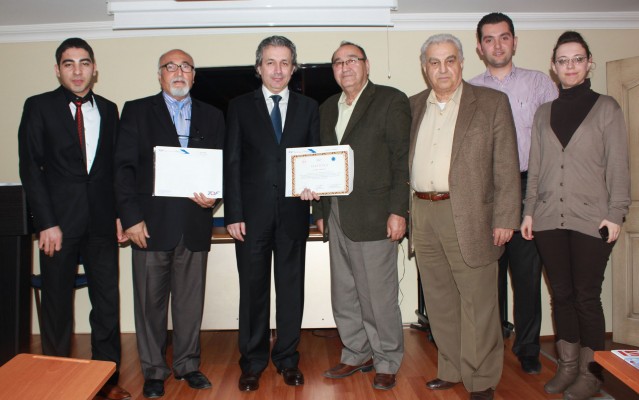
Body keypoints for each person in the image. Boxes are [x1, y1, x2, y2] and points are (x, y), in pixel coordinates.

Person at [409, 34, 520, 400]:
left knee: (478, 302)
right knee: (439, 300)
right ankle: (452, 368)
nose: (443, 69)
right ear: (425, 68)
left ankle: (482, 379)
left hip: (471, 215)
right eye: (434, 62)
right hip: (423, 212)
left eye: (450, 60)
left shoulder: (490, 103)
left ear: (461, 63)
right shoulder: (413, 106)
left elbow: (506, 166)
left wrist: (505, 218)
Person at [17, 38, 130, 400]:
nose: (78, 71)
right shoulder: (38, 106)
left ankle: (107, 380)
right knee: (56, 307)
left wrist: (119, 215)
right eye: (69, 64)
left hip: (101, 224)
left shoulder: (109, 109)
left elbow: (114, 170)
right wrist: (45, 223)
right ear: (58, 70)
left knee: (107, 305)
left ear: (94, 69)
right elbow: (31, 169)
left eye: (84, 63)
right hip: (58, 227)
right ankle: (56, 380)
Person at [521, 31, 630, 400]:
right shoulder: (544, 112)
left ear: (589, 63)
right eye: (563, 60)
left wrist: (616, 213)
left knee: (586, 296)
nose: (570, 66)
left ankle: (591, 372)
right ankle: (567, 366)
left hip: (593, 220)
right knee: (561, 295)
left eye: (577, 59)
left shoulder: (607, 108)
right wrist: (529, 212)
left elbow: (618, 166)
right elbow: (536, 168)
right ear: (554, 67)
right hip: (548, 218)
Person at [114, 49, 225, 399]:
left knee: (190, 304)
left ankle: (188, 365)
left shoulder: (213, 115)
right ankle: (153, 371)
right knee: (150, 304)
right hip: (149, 227)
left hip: (194, 224)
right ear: (160, 74)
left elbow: (220, 165)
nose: (178, 72)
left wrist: (214, 197)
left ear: (194, 75)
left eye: (185, 67)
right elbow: (123, 169)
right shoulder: (136, 111)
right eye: (170, 67)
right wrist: (130, 218)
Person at [301, 41, 410, 391]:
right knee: (344, 292)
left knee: (378, 296)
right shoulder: (327, 107)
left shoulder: (390, 100)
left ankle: (386, 359)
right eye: (338, 62)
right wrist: (320, 210)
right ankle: (356, 352)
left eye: (352, 60)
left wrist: (399, 210)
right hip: (336, 213)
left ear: (366, 64)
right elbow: (319, 159)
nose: (345, 67)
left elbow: (401, 160)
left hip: (376, 214)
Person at [223, 35, 320, 392]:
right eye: (270, 62)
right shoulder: (239, 107)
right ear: (258, 68)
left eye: (284, 63)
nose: (277, 70)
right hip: (250, 218)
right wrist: (233, 212)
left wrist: (314, 188)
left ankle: (288, 359)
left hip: (294, 215)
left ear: (293, 69)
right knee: (253, 291)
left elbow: (314, 158)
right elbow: (232, 162)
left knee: (291, 290)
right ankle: (252, 362)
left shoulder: (309, 107)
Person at [469, 12, 558, 375]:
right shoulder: (469, 89)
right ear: (479, 47)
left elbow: (556, 142)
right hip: (485, 192)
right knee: (488, 276)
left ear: (514, 42)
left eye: (504, 37)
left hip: (527, 188)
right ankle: (492, 346)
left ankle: (528, 348)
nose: (497, 45)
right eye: (489, 39)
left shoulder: (539, 84)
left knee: (526, 275)